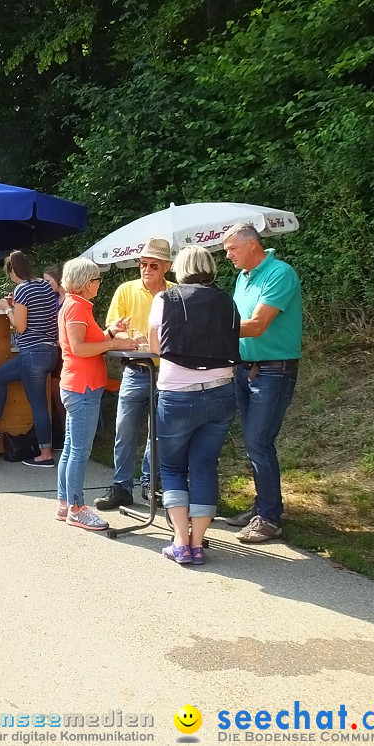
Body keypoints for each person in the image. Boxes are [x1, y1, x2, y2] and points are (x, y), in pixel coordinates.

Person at [148, 246, 240, 564]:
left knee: (173, 467)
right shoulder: (226, 300)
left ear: (180, 269)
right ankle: (198, 544)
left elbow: (154, 346)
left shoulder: (166, 300)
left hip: (178, 394)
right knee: (204, 466)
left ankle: (180, 541)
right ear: (211, 268)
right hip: (222, 392)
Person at [223, 222, 302, 544]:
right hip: (245, 369)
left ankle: (269, 518)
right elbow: (235, 321)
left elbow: (256, 326)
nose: (227, 256)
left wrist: (206, 329)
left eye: (232, 249)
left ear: (252, 244)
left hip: (274, 370)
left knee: (259, 440)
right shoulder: (243, 277)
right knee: (253, 441)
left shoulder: (280, 273)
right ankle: (262, 507)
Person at [56, 257, 138, 531]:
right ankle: (77, 509)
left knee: (71, 448)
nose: (99, 283)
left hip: (77, 384)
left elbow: (87, 341)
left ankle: (66, 503)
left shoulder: (74, 305)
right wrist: (117, 342)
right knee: (79, 451)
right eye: (96, 279)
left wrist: (110, 332)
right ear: (85, 283)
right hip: (83, 385)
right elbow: (79, 348)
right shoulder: (77, 308)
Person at [94, 237, 175, 511]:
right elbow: (113, 327)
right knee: (124, 431)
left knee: (160, 432)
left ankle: (151, 484)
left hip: (166, 373)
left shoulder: (176, 292)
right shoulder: (126, 290)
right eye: (143, 264)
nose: (147, 269)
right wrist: (131, 337)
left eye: (153, 265)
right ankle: (121, 486)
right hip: (136, 370)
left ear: (167, 266)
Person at [0, 251, 59, 467]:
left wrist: (7, 308)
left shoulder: (22, 289)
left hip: (32, 354)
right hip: (50, 353)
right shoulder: (45, 285)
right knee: (1, 377)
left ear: (12, 270)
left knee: (37, 403)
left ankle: (45, 454)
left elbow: (20, 326)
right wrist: (16, 307)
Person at [43, 263, 67, 450]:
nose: (45, 284)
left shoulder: (70, 299)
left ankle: (66, 432)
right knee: (53, 390)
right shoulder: (51, 297)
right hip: (53, 347)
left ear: (58, 280)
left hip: (65, 350)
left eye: (48, 281)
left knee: (60, 391)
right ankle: (60, 430)